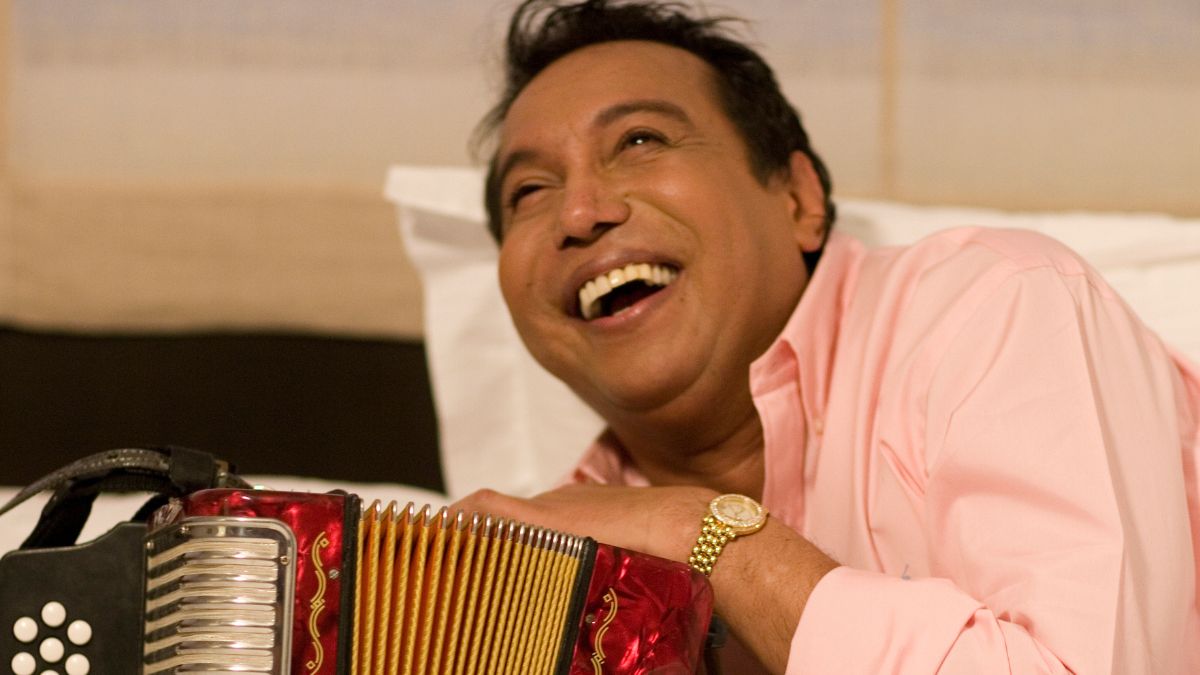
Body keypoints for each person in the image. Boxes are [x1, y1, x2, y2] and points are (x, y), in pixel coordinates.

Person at [457, 0, 1200, 672]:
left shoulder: (996, 308)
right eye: (530, 190)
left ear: (798, 198)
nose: (579, 213)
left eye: (641, 140)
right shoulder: (547, 563)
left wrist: (704, 535)